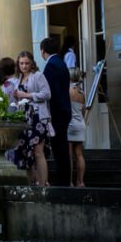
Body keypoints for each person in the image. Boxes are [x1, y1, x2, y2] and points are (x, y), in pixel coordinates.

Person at [6, 51, 52, 186]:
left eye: (27, 63)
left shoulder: (38, 76)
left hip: (37, 117)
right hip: (22, 117)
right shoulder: (17, 79)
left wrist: (27, 95)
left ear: (31, 63)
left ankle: (43, 184)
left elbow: (47, 94)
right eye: (21, 63)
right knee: (25, 153)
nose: (24, 66)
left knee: (38, 152)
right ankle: (32, 184)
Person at [42, 37, 73, 185]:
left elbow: (50, 91)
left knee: (59, 148)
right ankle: (65, 180)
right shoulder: (61, 63)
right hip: (64, 110)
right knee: (62, 147)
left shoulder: (51, 66)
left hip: (57, 112)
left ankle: (63, 181)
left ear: (43, 51)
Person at [68, 69, 87, 187]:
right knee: (79, 154)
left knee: (69, 155)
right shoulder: (82, 93)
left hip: (69, 124)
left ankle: (69, 182)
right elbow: (84, 111)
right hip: (80, 123)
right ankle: (80, 181)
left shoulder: (67, 91)